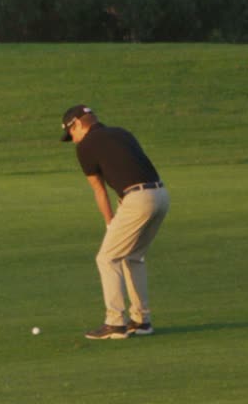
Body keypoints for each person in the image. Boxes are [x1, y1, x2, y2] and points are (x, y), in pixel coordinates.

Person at [61, 104, 170, 340]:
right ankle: (142, 321)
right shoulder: (122, 133)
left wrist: (110, 221)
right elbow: (132, 169)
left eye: (72, 134)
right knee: (133, 256)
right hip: (160, 195)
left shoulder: (86, 146)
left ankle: (115, 323)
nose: (73, 140)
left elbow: (99, 190)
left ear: (77, 124)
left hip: (137, 200)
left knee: (107, 257)